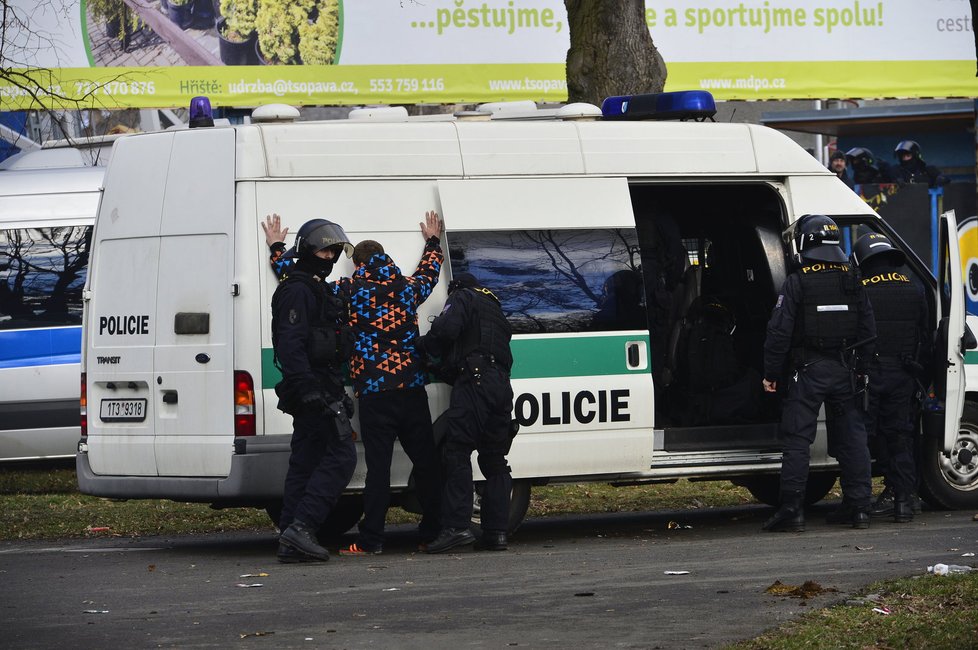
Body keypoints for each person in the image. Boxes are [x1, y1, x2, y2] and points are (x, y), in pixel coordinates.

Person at [265, 212, 445, 555]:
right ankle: (432, 531)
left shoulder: (349, 290)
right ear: (386, 258)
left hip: (375, 392)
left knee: (378, 468)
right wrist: (433, 242)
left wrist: (277, 248)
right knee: (426, 462)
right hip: (411, 388)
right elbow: (429, 273)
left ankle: (372, 539)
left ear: (358, 262)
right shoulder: (408, 289)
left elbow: (297, 278)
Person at [761, 214, 876, 533]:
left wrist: (772, 372)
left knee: (797, 439)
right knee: (854, 438)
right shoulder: (853, 278)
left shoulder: (798, 280)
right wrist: (862, 370)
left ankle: (792, 510)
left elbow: (779, 332)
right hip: (845, 371)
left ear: (805, 243)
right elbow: (869, 329)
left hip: (808, 370)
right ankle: (860, 508)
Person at [272, 218, 358, 563]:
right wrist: (308, 389)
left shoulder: (313, 285)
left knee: (306, 462)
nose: (331, 256)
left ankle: (290, 535)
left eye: (335, 251)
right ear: (308, 250)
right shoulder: (298, 289)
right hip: (313, 389)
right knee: (342, 456)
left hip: (322, 385)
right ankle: (302, 528)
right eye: (325, 249)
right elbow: (290, 344)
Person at [418, 273, 516, 553]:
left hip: (476, 383)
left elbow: (446, 331)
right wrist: (439, 369)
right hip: (501, 385)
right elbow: (479, 350)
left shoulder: (462, 296)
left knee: (457, 452)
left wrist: (423, 347)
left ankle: (456, 528)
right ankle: (497, 532)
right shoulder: (494, 309)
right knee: (495, 459)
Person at [851, 233, 930, 523]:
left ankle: (857, 503)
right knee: (900, 437)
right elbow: (924, 332)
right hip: (903, 373)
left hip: (869, 374)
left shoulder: (860, 288)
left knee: (862, 437)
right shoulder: (915, 287)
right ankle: (903, 502)